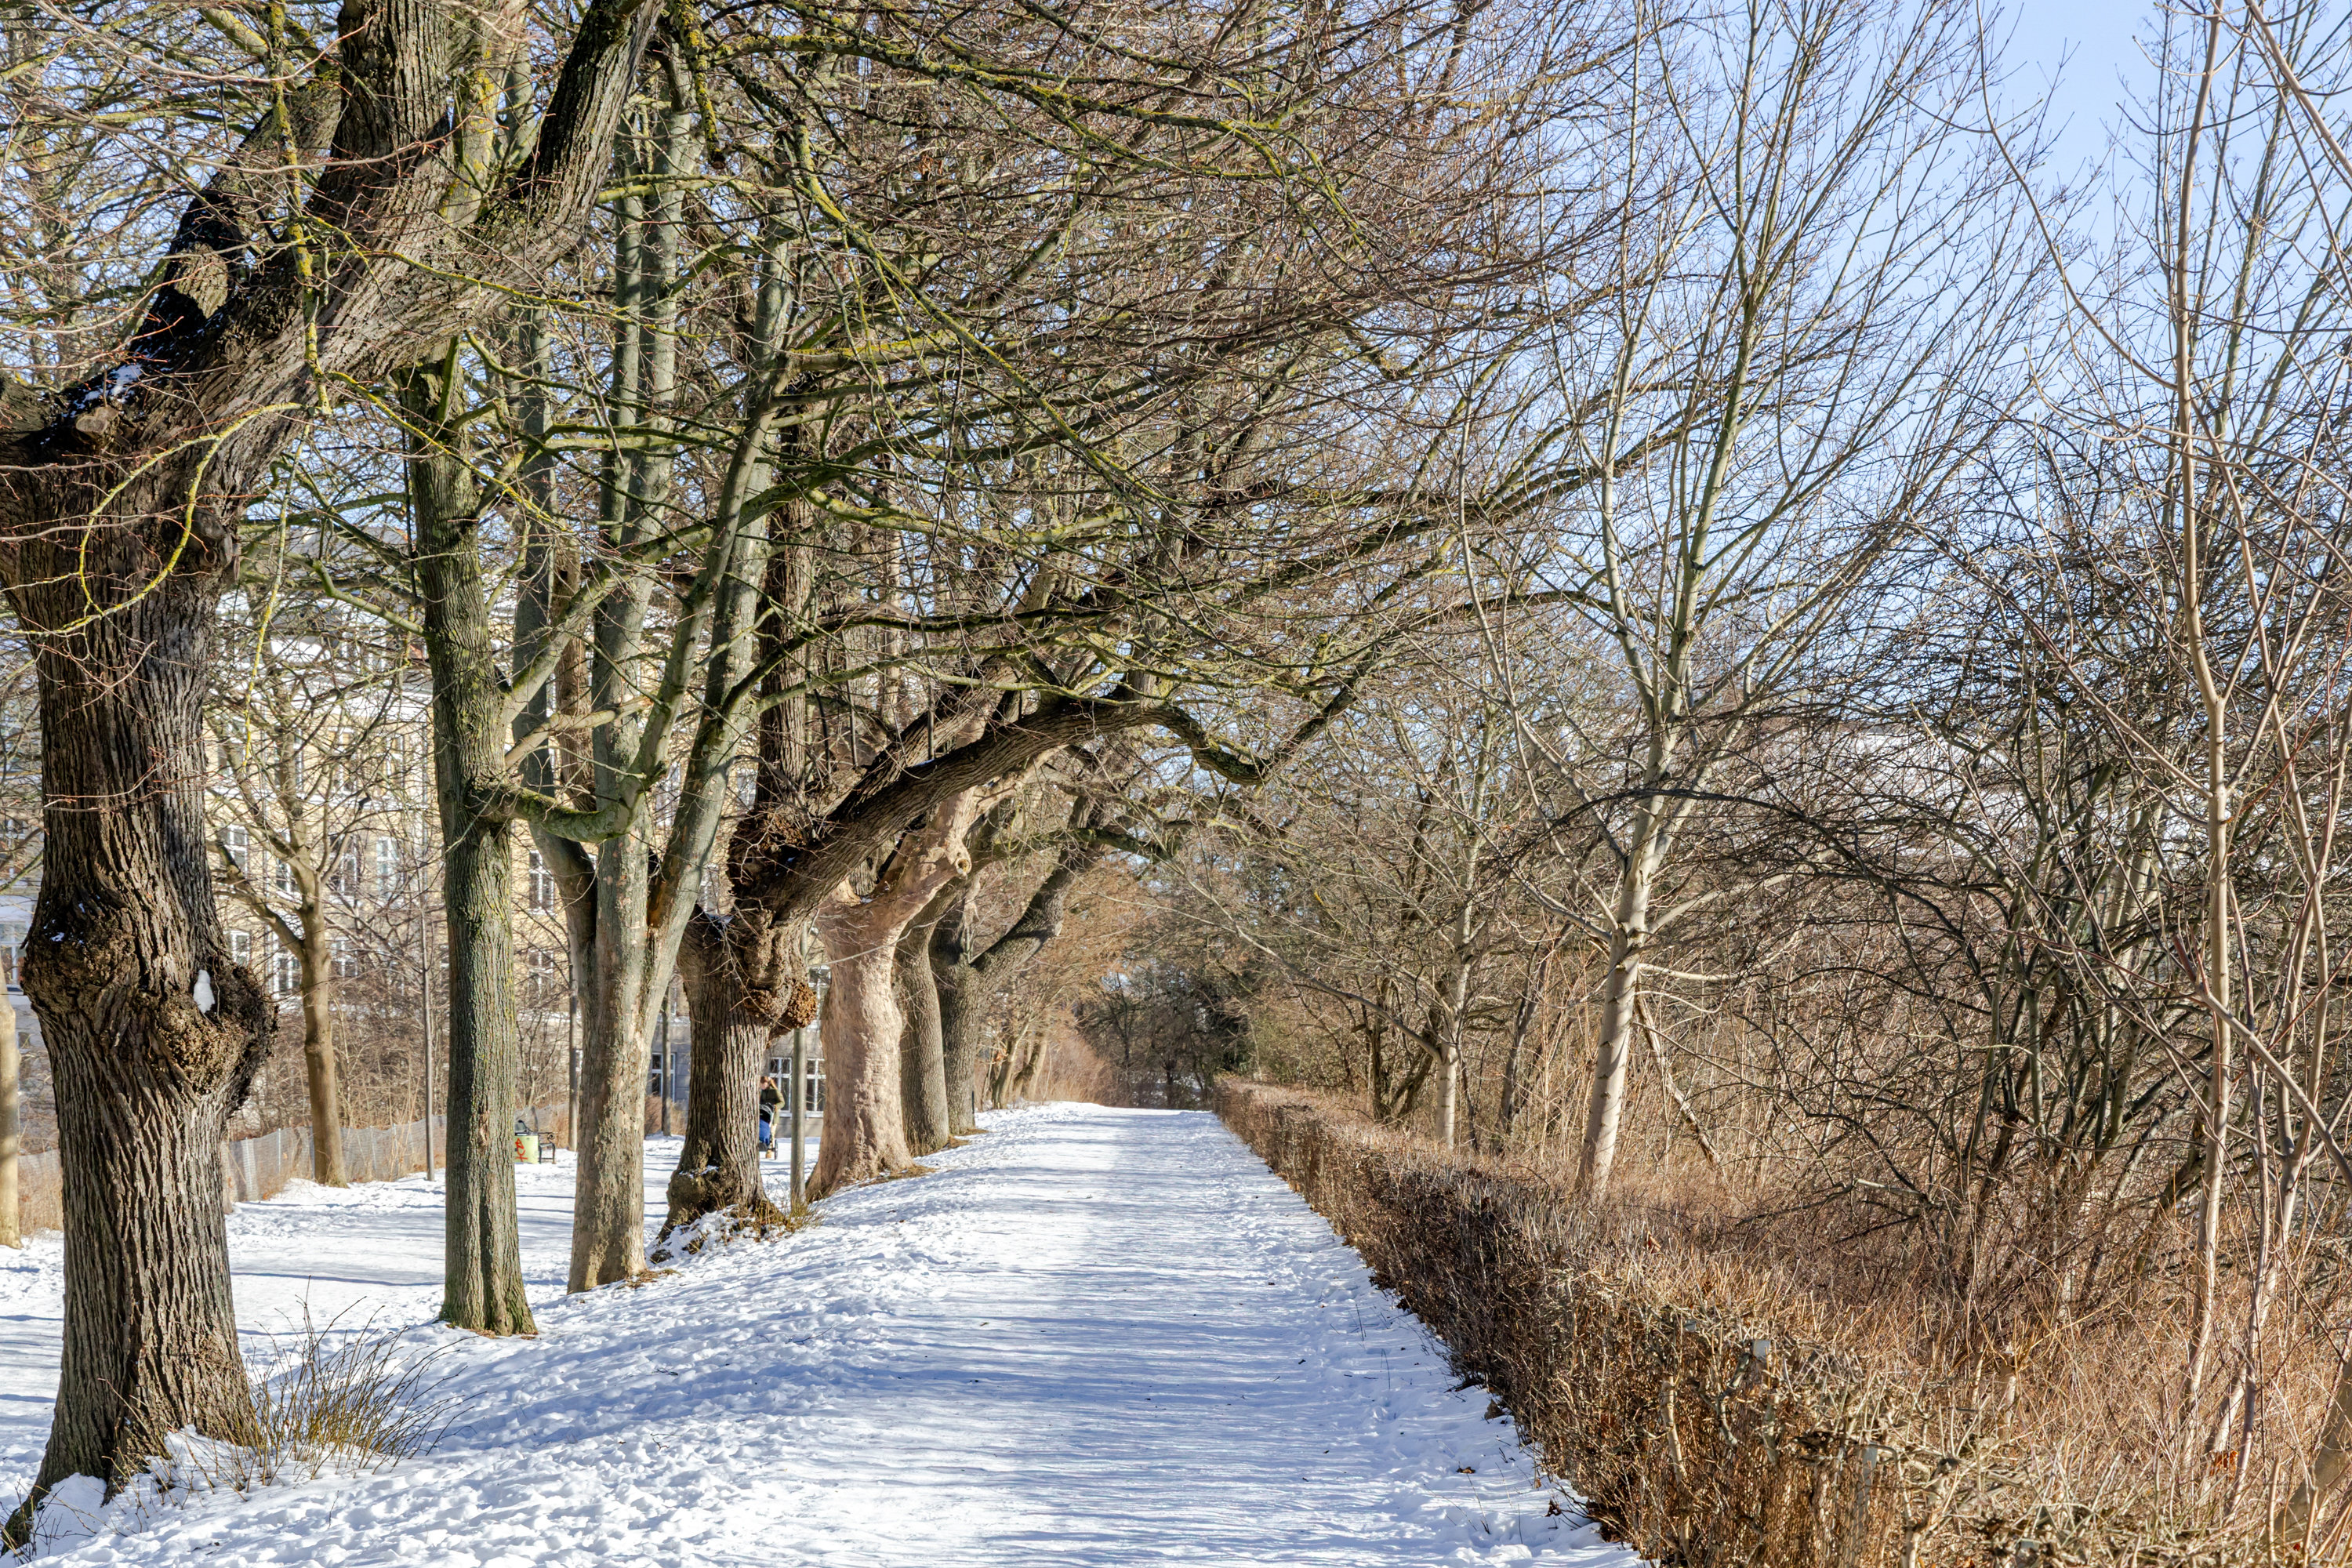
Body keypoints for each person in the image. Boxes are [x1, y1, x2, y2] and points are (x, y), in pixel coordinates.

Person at [758, 1075, 783, 1155]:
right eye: (761, 1084)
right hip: (764, 1114)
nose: (762, 1086)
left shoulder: (775, 1092)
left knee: (771, 1132)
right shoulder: (762, 1093)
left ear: (768, 1084)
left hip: (773, 1115)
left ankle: (770, 1150)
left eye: (763, 1084)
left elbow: (782, 1102)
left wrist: (776, 1106)